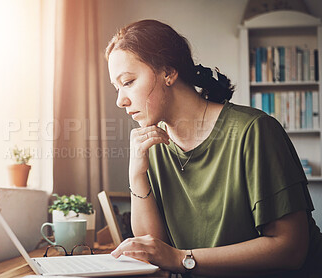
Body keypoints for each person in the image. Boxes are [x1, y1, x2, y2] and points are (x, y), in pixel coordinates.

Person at [105, 19, 322, 277]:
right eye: (116, 88)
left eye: (128, 82)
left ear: (168, 72)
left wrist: (181, 258)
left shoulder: (254, 130)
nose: (120, 100)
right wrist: (136, 175)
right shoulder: (152, 147)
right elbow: (155, 251)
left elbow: (290, 249)